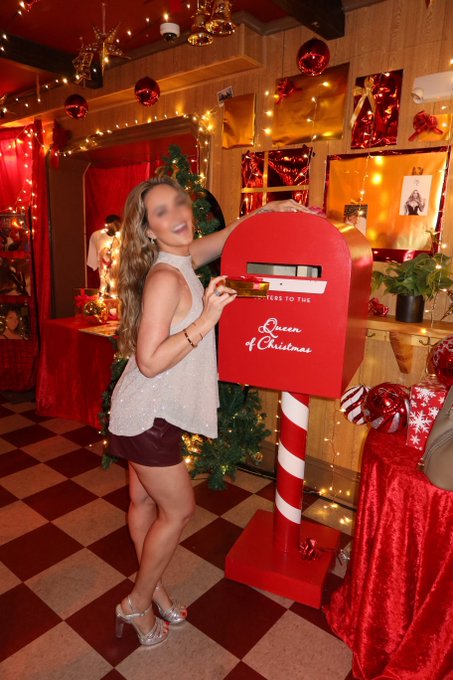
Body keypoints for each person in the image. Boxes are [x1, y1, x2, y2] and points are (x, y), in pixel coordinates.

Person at [108, 176, 304, 648]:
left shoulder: (182, 257)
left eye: (179, 203)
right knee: (179, 511)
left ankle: (154, 588)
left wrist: (269, 210)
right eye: (161, 212)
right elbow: (150, 361)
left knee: (144, 504)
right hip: (148, 416)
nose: (177, 215)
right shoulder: (164, 277)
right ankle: (136, 602)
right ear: (148, 230)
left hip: (145, 409)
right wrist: (207, 319)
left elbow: (226, 236)